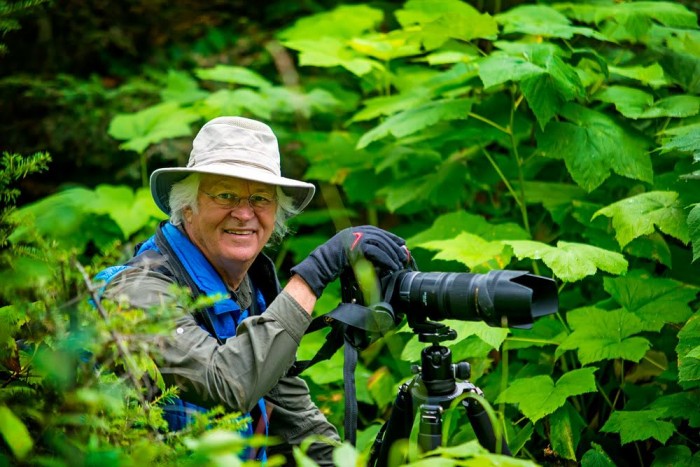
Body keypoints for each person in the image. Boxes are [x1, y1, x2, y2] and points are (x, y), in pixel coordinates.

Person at [97, 116, 411, 465]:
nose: (245, 213)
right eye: (226, 194)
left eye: (261, 198)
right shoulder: (138, 290)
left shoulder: (250, 295)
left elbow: (297, 427)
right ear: (187, 206)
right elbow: (225, 382)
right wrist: (314, 273)